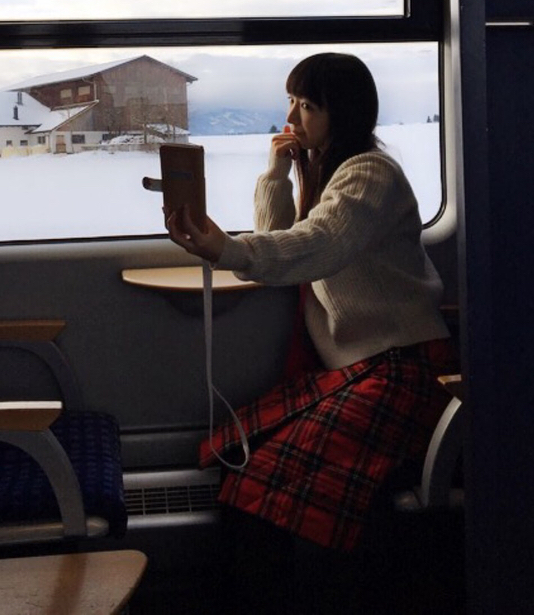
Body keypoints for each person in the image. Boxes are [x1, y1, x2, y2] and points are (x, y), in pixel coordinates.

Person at [166, 52, 456, 614]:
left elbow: (316, 246)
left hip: (404, 366)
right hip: (361, 368)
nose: (293, 116)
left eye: (308, 105)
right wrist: (276, 175)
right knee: (240, 452)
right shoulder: (323, 174)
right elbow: (280, 245)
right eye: (292, 101)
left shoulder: (370, 174)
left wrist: (227, 249)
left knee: (258, 487)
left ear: (341, 113)